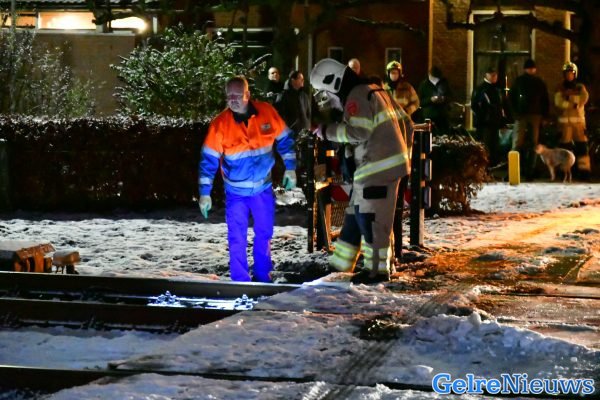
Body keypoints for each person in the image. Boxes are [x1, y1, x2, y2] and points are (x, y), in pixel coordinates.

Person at [309, 58, 411, 283]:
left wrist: (325, 131)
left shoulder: (356, 96)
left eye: (324, 92)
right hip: (382, 168)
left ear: (333, 82)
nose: (326, 99)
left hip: (375, 169)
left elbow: (359, 132)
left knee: (371, 220)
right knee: (355, 218)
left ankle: (377, 271)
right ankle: (339, 267)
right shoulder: (375, 90)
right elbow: (407, 123)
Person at [198, 76, 297, 283]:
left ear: (248, 95)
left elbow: (285, 138)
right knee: (237, 238)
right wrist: (204, 193)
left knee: (264, 234)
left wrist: (291, 168)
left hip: (263, 189)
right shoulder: (220, 125)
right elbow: (208, 160)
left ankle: (263, 276)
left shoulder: (266, 113)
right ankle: (240, 281)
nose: (233, 100)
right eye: (229, 96)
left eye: (237, 95)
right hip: (236, 193)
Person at [508, 58, 549, 181]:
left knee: (527, 144)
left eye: (532, 68)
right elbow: (511, 99)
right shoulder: (524, 81)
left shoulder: (528, 82)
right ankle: (516, 171)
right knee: (520, 143)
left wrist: (544, 115)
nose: (531, 70)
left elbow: (545, 100)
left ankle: (527, 171)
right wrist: (515, 114)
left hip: (531, 116)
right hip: (527, 116)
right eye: (530, 68)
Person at [554, 61, 590, 179]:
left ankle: (584, 172)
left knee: (582, 148)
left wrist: (570, 99)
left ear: (575, 74)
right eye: (567, 73)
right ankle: (564, 172)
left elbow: (584, 98)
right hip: (565, 125)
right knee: (565, 149)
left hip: (579, 124)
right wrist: (572, 103)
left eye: (571, 73)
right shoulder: (560, 87)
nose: (569, 75)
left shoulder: (580, 87)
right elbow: (558, 102)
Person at [471, 66, 507, 167]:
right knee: (485, 145)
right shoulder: (480, 89)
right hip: (485, 123)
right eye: (493, 75)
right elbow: (475, 106)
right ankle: (485, 165)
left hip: (494, 122)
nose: (495, 77)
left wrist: (501, 119)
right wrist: (483, 117)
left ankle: (492, 164)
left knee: (494, 144)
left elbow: (500, 106)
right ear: (487, 75)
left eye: (496, 75)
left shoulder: (496, 89)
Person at [274, 70, 311, 135]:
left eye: (303, 79)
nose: (303, 80)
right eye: (300, 78)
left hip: (304, 133)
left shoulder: (304, 96)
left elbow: (308, 113)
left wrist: (307, 125)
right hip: (289, 133)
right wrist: (287, 129)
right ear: (293, 80)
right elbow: (279, 115)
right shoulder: (283, 96)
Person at [417, 66, 451, 135]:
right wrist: (430, 100)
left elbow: (450, 96)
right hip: (429, 116)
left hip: (442, 116)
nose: (435, 80)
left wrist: (444, 99)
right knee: (430, 136)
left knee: (444, 135)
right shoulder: (424, 85)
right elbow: (419, 102)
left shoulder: (444, 83)